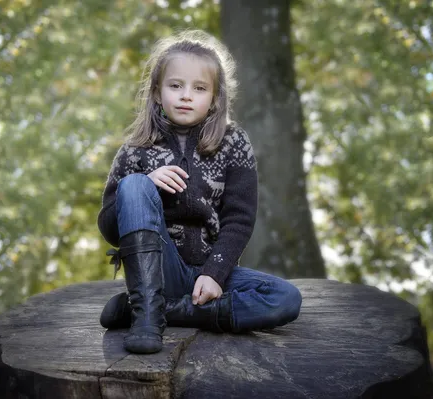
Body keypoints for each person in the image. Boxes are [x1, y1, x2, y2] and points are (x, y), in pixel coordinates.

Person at [97, 30, 302, 354]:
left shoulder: (234, 144)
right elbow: (109, 227)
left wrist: (216, 273)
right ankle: (148, 315)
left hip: (210, 270)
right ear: (156, 92)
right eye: (175, 85)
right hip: (158, 270)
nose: (186, 95)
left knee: (286, 299)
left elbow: (239, 219)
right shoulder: (136, 150)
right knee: (133, 184)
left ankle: (157, 309)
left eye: (199, 88)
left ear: (215, 98)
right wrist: (145, 182)